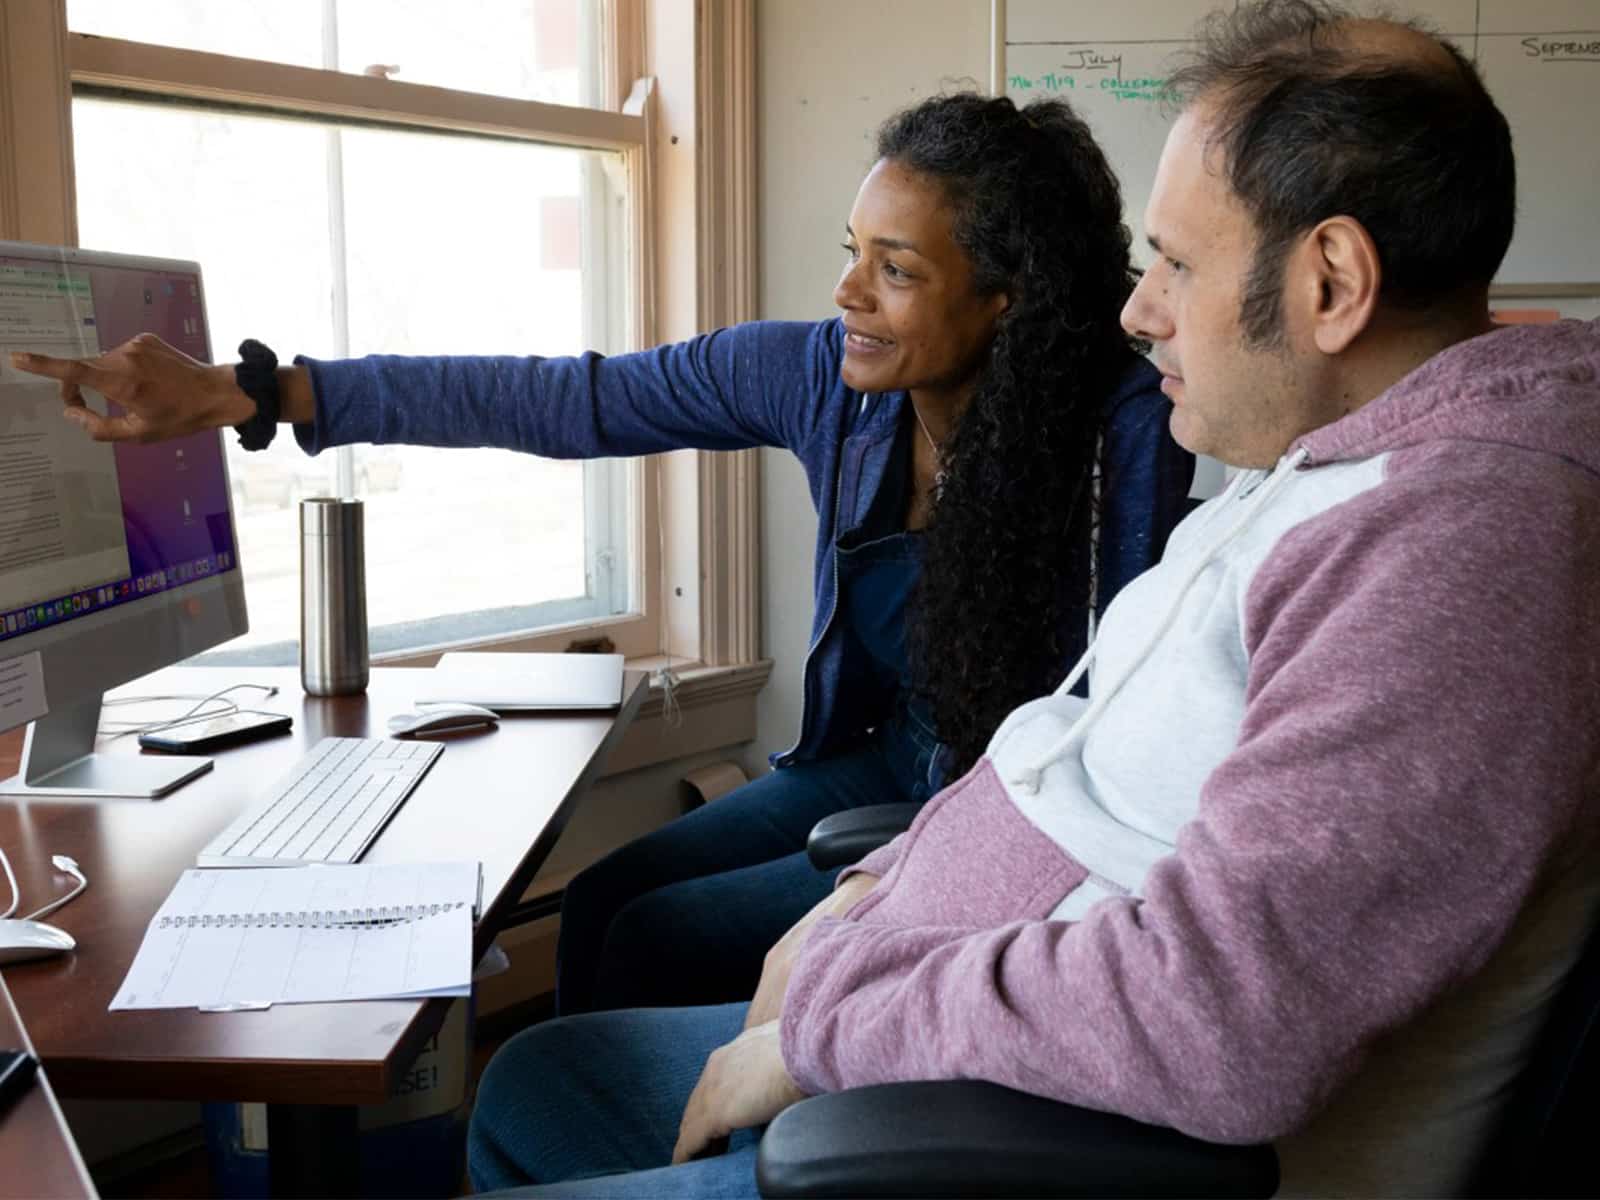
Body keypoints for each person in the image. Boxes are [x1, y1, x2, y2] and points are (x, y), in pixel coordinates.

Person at [456, 1, 1600, 1196]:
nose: (1140, 306)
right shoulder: (1324, 462)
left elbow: (1219, 1018)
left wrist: (825, 1026)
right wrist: (868, 895)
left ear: (1330, 282)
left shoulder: (1463, 545)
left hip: (1053, 1146)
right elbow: (1066, 759)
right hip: (944, 1025)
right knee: (542, 1086)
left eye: (1177, 262)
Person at [12, 94, 1192, 1016]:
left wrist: (920, 876)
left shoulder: (1127, 435)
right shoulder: (819, 380)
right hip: (871, 760)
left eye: (896, 269)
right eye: (852, 251)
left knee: (657, 937)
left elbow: (1115, 747)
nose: (846, 292)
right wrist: (248, 392)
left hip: (998, 804)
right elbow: (572, 402)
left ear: (1005, 300)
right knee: (610, 898)